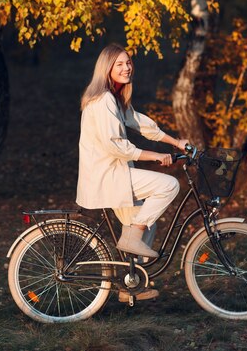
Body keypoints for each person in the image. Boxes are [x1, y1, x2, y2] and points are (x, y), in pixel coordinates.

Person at [76, 43, 188, 301]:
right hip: (108, 176)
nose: (127, 68)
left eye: (128, 63)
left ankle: (130, 286)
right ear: (107, 69)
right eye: (120, 64)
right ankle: (131, 238)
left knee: (144, 223)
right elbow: (117, 146)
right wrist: (155, 155)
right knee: (169, 186)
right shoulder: (103, 100)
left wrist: (174, 142)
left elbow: (142, 124)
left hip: (115, 174)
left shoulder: (113, 98)